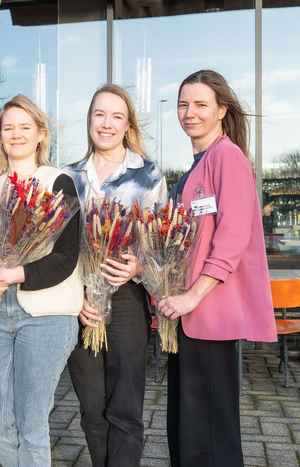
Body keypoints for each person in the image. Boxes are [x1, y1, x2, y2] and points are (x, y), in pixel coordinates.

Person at [158, 69, 276, 467]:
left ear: (222, 110)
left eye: (200, 105)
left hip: (209, 315)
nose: (189, 113)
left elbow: (232, 239)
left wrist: (192, 295)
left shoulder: (228, 159)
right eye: (183, 104)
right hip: (187, 316)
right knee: (189, 427)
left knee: (209, 432)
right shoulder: (197, 164)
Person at [0, 95, 81, 466]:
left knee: (31, 424)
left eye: (24, 127)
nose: (14, 134)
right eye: (8, 128)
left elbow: (66, 256)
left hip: (46, 314)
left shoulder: (58, 181)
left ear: (39, 135)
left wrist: (15, 274)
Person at [64, 84, 167, 467]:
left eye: (116, 116)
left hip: (126, 300)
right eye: (99, 115)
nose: (106, 124)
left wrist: (139, 265)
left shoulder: (148, 175)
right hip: (80, 302)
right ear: (89, 121)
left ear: (127, 125)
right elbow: (57, 247)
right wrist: (77, 299)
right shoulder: (68, 176)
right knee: (92, 406)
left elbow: (158, 242)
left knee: (124, 406)